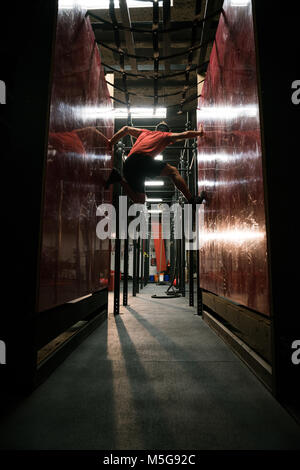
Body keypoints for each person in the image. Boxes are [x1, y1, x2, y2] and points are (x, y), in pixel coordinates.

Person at [105, 121, 207, 204]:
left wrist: (111, 142)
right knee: (173, 171)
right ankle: (192, 200)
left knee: (140, 201)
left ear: (156, 129)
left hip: (129, 163)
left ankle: (118, 178)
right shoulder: (165, 135)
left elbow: (126, 129)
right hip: (142, 160)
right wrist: (199, 133)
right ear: (168, 131)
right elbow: (185, 134)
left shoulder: (145, 133)